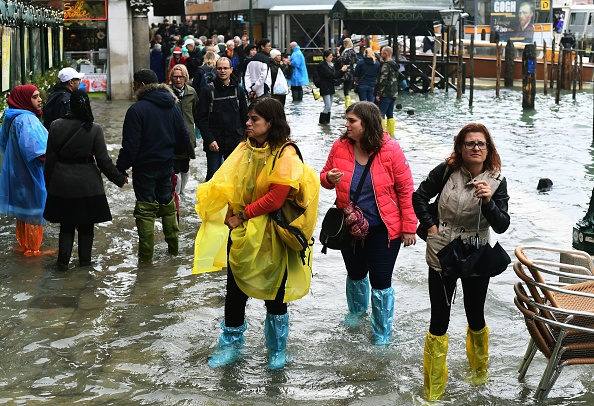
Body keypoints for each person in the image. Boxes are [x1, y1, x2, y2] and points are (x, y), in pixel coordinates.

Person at [194, 97, 313, 369]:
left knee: (275, 293)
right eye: (248, 118)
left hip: (273, 234)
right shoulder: (245, 148)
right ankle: (232, 345)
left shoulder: (286, 153)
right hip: (244, 233)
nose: (247, 123)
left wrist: (242, 215)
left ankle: (277, 350)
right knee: (235, 292)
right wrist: (227, 208)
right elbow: (229, 180)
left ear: (271, 123)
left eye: (254, 119)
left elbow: (276, 197)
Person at [411, 123, 510, 401]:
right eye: (470, 143)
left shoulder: (497, 181)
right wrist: (431, 228)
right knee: (438, 320)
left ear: (488, 148)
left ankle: (479, 373)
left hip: (476, 253)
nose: (476, 148)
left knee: (475, 314)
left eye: (481, 144)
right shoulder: (445, 171)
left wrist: (489, 202)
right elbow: (419, 196)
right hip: (442, 250)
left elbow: (502, 225)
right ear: (461, 147)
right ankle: (432, 389)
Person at [320, 101, 417, 344]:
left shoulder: (391, 149)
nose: (346, 124)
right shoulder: (340, 146)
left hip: (384, 229)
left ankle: (382, 333)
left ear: (367, 123)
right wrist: (329, 178)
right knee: (355, 274)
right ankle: (356, 314)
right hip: (350, 227)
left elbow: (406, 190)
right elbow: (323, 177)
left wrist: (408, 227)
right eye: (347, 119)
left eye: (352, 121)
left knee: (381, 281)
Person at [43, 90, 127, 270]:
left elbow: (49, 160)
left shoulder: (55, 126)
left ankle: (62, 264)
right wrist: (119, 179)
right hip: (88, 185)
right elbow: (104, 162)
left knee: (66, 225)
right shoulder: (94, 128)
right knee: (87, 226)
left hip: (61, 183)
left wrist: (49, 184)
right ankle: (85, 266)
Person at [116, 69, 190, 263]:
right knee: (167, 206)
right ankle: (174, 252)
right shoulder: (172, 106)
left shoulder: (136, 110)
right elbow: (184, 139)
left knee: (145, 210)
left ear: (141, 85)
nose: (132, 87)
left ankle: (145, 261)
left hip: (144, 168)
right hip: (167, 166)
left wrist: (120, 168)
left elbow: (130, 146)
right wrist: (171, 155)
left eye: (134, 83)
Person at [0, 85, 48, 255]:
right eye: (35, 97)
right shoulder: (28, 120)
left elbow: (4, 143)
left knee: (24, 212)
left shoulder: (12, 117)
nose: (40, 99)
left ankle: (24, 245)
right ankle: (33, 251)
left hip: (16, 173)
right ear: (25, 100)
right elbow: (37, 151)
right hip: (30, 173)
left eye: (39, 96)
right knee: (35, 210)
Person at [196, 57, 248, 181]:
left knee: (235, 178)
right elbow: (201, 119)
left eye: (225, 68)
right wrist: (209, 140)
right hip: (214, 143)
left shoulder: (238, 90)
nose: (222, 71)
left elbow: (245, 116)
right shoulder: (208, 91)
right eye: (219, 68)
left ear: (231, 70)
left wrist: (246, 139)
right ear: (215, 70)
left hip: (235, 141)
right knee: (212, 178)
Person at [169, 64, 199, 196]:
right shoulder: (166, 93)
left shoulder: (191, 92)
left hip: (187, 135)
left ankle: (182, 192)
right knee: (174, 166)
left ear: (186, 77)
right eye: (175, 77)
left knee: (185, 165)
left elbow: (195, 113)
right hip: (171, 135)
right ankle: (175, 194)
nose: (178, 80)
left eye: (181, 77)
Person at [374, 46, 400, 138]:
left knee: (381, 115)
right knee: (390, 115)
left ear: (385, 54)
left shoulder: (386, 65)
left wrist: (378, 94)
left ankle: (381, 135)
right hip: (394, 93)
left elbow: (382, 81)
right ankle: (391, 135)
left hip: (385, 94)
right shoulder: (394, 64)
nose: (381, 55)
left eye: (382, 53)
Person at [317, 50, 347, 124]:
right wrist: (341, 71)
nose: (331, 58)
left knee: (329, 107)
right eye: (330, 57)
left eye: (332, 57)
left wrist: (342, 72)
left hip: (330, 87)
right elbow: (332, 75)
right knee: (327, 106)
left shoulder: (331, 65)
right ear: (325, 57)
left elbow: (335, 76)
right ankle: (322, 122)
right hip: (325, 87)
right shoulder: (322, 65)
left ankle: (327, 122)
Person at [336, 38, 359, 108]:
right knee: (346, 88)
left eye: (344, 44)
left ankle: (320, 93)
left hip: (345, 72)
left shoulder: (346, 52)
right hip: (351, 72)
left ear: (346, 44)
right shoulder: (353, 52)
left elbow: (340, 60)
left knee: (336, 83)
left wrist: (338, 52)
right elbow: (357, 60)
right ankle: (347, 103)